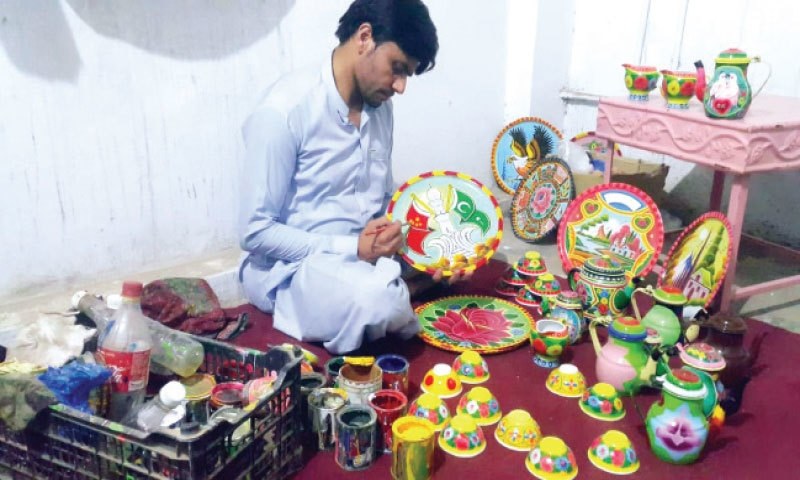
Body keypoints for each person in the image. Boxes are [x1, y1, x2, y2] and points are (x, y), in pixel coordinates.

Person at [238, 0, 450, 354]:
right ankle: (405, 293)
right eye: (397, 68)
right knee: (375, 299)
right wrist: (351, 248)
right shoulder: (284, 111)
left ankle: (401, 289)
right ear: (364, 37)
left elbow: (381, 203)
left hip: (362, 259)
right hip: (293, 269)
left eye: (406, 75)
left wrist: (415, 243)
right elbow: (254, 232)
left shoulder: (380, 108)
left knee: (449, 248)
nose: (400, 87)